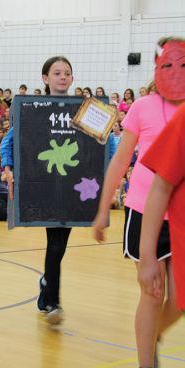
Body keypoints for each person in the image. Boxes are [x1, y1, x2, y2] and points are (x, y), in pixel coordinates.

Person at [93, 37, 185, 368]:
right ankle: (147, 362)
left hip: (180, 217)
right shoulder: (143, 106)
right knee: (152, 292)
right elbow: (120, 161)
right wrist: (103, 210)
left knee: (179, 299)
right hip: (144, 210)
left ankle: (153, 332)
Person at [1, 56, 74, 325]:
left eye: (67, 73)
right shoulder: (32, 108)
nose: (63, 76)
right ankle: (53, 303)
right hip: (44, 187)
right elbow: (8, 142)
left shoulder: (83, 110)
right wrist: (7, 168)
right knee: (55, 245)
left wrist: (111, 171)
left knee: (60, 245)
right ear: (45, 78)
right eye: (57, 73)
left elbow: (105, 143)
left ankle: (46, 283)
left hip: (73, 190)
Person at [139, 102, 185, 313]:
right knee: (155, 295)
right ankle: (149, 337)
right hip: (147, 209)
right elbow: (160, 188)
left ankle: (151, 334)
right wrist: (147, 255)